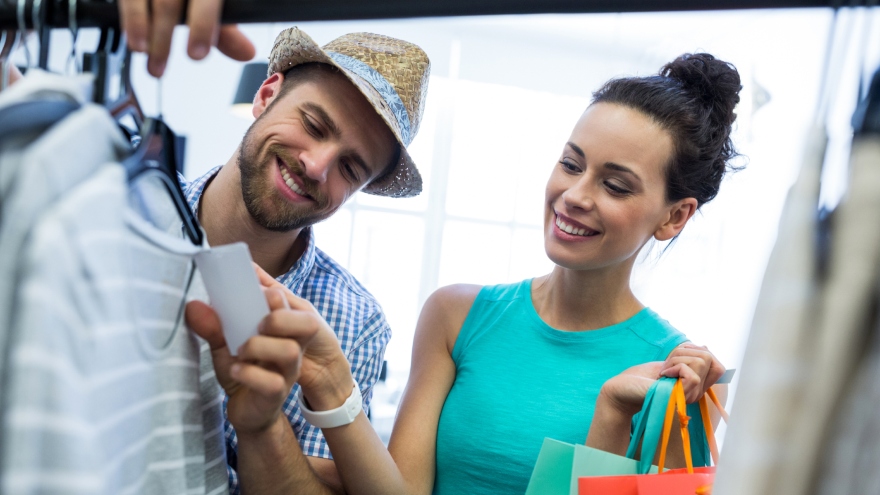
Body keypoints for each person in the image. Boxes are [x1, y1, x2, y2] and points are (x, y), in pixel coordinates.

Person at [188, 51, 740, 495]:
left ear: (675, 216)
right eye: (571, 164)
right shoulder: (457, 315)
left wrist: (610, 419)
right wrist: (331, 378)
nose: (574, 196)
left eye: (615, 185)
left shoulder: (675, 381)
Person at [173, 26, 429, 495]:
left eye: (350, 168)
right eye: (313, 125)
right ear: (267, 94)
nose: (316, 165)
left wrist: (263, 425)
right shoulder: (128, 208)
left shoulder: (353, 324)